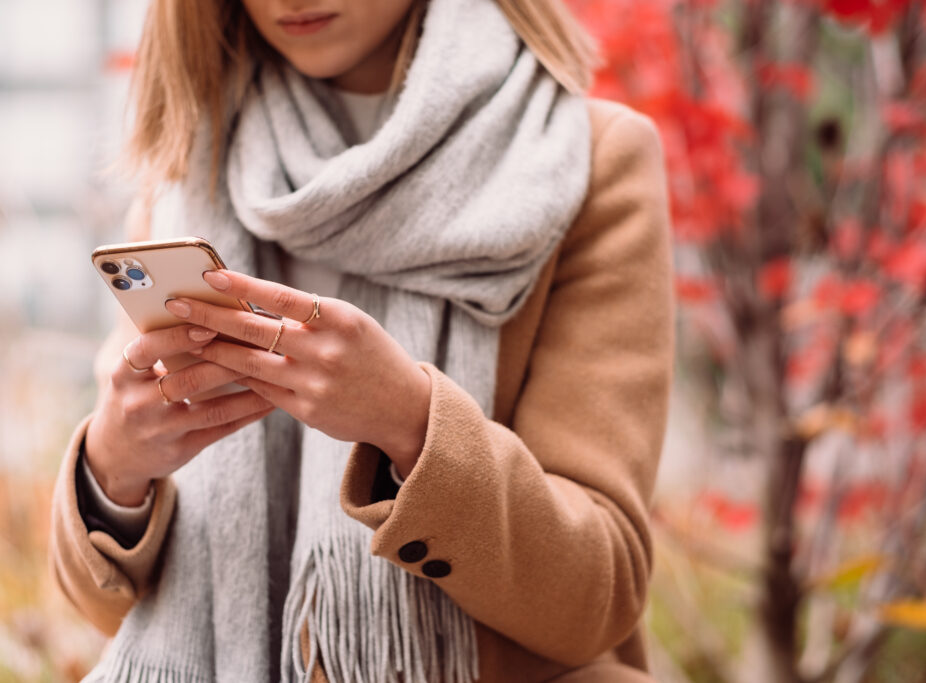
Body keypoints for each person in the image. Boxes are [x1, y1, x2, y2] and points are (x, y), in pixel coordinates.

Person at [48, 0, 676, 680]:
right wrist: (113, 470)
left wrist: (412, 423)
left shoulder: (585, 159)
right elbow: (113, 613)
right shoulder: (194, 157)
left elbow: (596, 596)